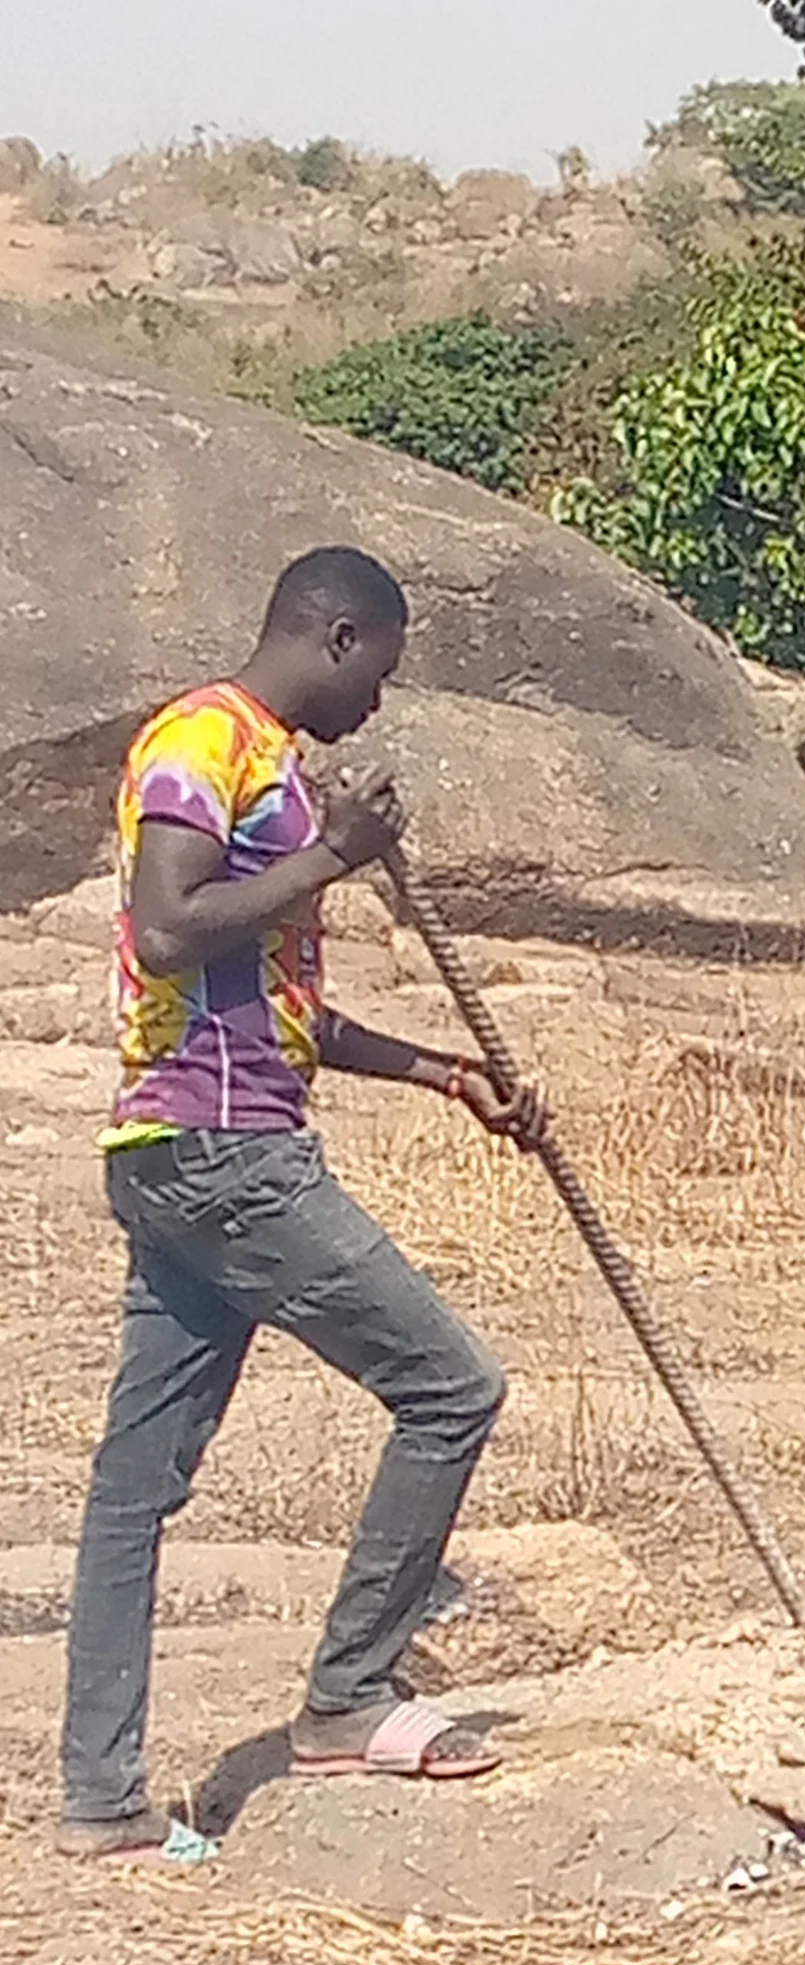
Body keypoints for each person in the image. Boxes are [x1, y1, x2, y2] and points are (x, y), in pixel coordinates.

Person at [59, 546, 547, 1864]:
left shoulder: (263, 763)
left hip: (180, 1150)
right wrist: (332, 854)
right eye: (377, 675)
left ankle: (99, 1800)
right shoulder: (204, 741)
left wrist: (443, 1074)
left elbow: (276, 1001)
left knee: (132, 1489)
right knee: (453, 1387)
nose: (376, 707)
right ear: (336, 638)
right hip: (225, 1158)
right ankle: (346, 1698)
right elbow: (167, 930)